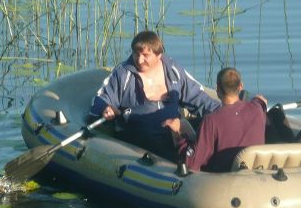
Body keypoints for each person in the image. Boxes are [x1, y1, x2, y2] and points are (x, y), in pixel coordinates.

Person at [90, 30, 221, 160]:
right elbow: (100, 99)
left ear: (158, 55)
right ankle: (184, 163)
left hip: (172, 131)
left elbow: (198, 98)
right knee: (162, 147)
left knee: (207, 125)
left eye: (145, 55)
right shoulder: (123, 74)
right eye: (136, 54)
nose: (139, 60)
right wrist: (105, 108)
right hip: (140, 136)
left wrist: (224, 113)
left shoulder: (173, 70)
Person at [164, 67, 267, 172]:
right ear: (241, 86)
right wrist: (258, 100)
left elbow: (192, 163)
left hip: (222, 179)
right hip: (254, 172)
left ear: (217, 89)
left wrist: (179, 136)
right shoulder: (257, 109)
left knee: (182, 127)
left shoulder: (211, 121)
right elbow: (261, 102)